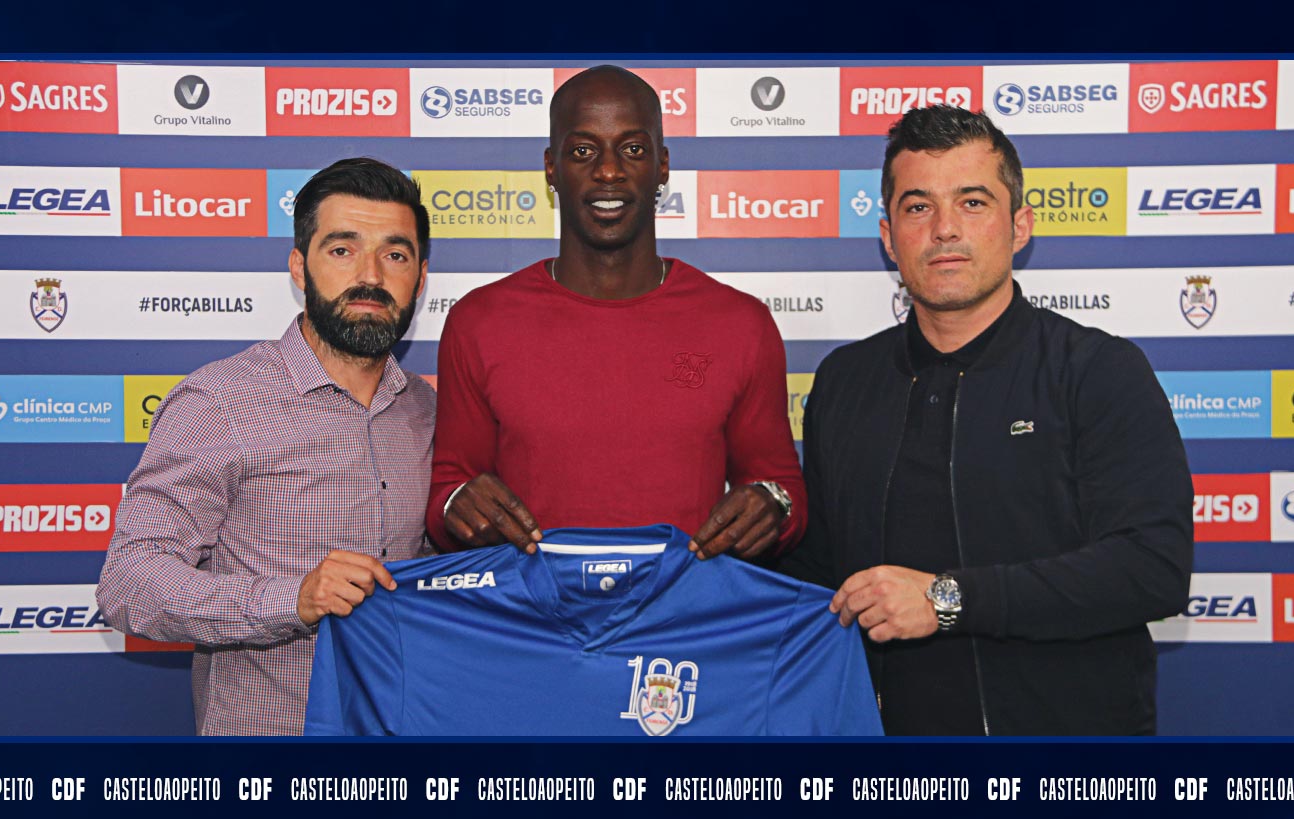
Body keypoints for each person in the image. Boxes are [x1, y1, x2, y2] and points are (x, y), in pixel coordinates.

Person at [784, 106, 1193, 736]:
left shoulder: (1097, 369)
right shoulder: (844, 381)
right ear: (889, 236)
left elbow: (1152, 569)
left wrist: (947, 599)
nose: (945, 229)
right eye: (918, 207)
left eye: (972, 203)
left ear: (1019, 225)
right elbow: (819, 575)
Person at [95, 157, 436, 736]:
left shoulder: (424, 410)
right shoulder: (219, 402)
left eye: (395, 255)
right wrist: (293, 600)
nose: (371, 275)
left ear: (420, 280)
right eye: (342, 249)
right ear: (299, 267)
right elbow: (129, 583)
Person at [426, 66, 806, 560]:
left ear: (662, 166)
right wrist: (456, 504)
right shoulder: (478, 322)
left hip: (685, 607)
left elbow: (783, 489)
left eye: (633, 149)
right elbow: (448, 490)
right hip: (534, 609)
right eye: (583, 151)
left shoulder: (741, 325)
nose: (609, 171)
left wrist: (773, 505)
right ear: (551, 168)